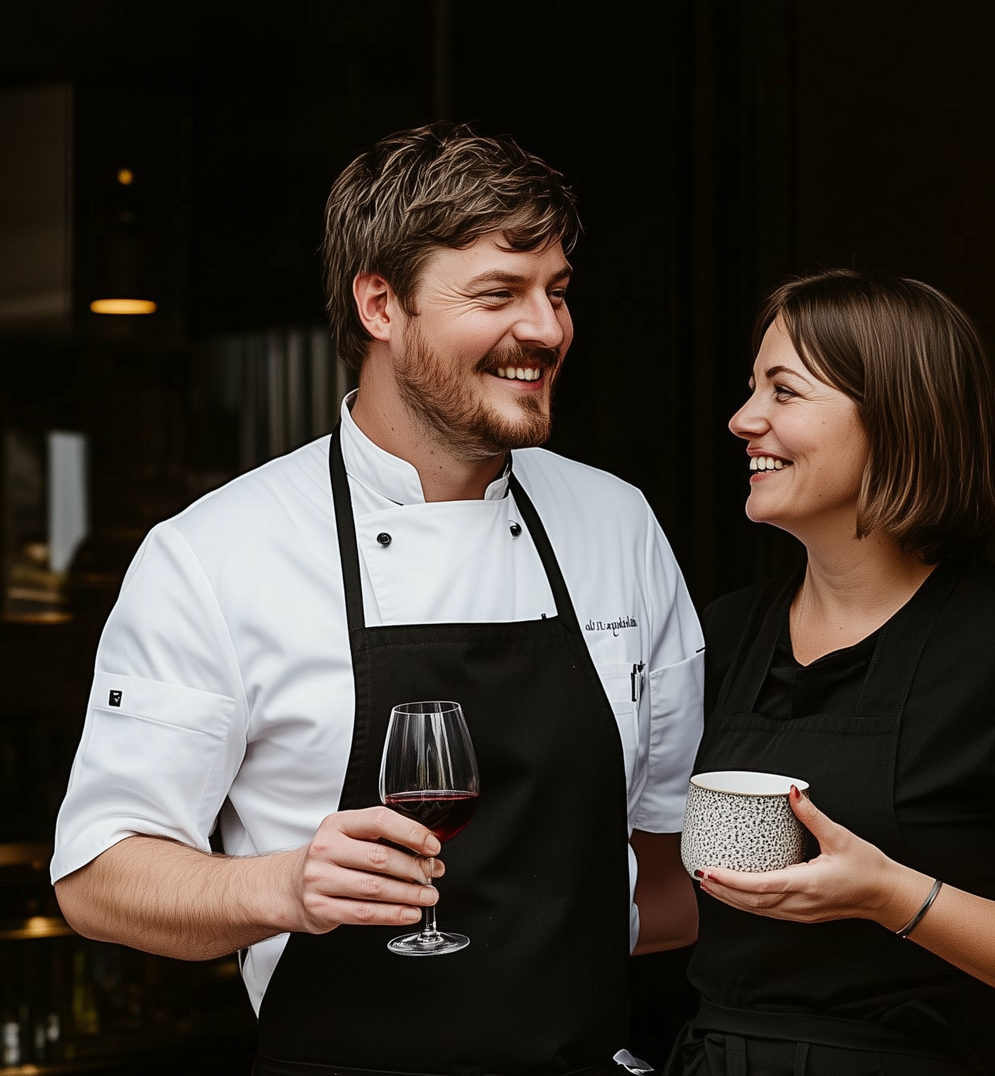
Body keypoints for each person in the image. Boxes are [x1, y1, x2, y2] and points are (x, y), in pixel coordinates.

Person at [50, 125, 704, 1076]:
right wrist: (284, 889)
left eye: (556, 292)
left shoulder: (618, 524)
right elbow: (100, 880)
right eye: (498, 293)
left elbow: (669, 857)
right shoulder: (215, 554)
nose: (548, 329)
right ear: (379, 303)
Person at [671, 271, 995, 1076]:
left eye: (785, 391)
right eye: (752, 389)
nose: (744, 420)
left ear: (896, 420)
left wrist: (890, 897)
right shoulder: (726, 635)